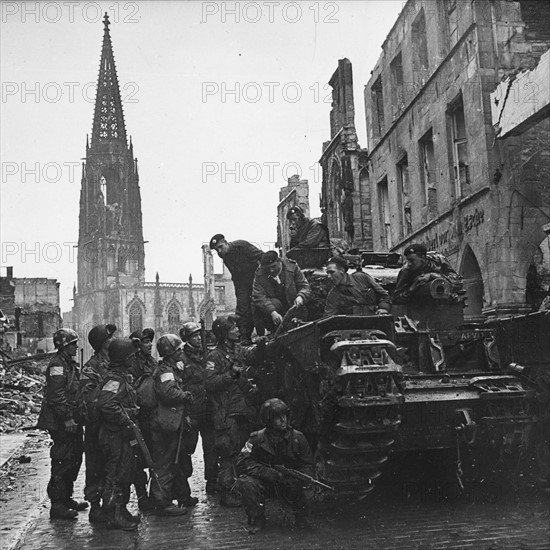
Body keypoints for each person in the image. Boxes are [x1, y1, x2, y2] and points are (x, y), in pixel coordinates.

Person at [205, 316, 263, 507]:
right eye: (233, 328)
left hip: (243, 409)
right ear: (224, 333)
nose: (238, 330)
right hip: (227, 411)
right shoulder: (214, 357)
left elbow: (252, 355)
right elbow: (210, 383)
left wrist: (262, 347)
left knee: (244, 451)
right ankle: (228, 493)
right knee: (228, 453)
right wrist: (230, 375)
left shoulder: (238, 350)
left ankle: (243, 489)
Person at [236, 398, 314, 534]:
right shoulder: (256, 439)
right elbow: (243, 462)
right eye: (278, 417)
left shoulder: (298, 438)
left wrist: (298, 478)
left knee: (307, 484)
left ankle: (302, 519)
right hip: (267, 483)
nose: (283, 420)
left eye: (284, 415)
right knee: (246, 482)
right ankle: (257, 519)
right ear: (268, 420)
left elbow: (307, 464)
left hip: (290, 484)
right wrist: (268, 473)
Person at [37, 328, 87, 520]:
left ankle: (66, 498)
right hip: (60, 422)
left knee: (74, 457)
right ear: (64, 346)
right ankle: (57, 504)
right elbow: (56, 396)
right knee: (63, 459)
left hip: (71, 420)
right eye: (73, 343)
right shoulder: (57, 366)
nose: (76, 346)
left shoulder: (68, 364)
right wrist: (67, 418)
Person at [97, 338, 142, 530]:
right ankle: (113, 515)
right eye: (131, 356)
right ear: (123, 358)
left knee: (125, 472)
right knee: (115, 475)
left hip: (123, 435)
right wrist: (127, 418)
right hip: (115, 435)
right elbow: (106, 405)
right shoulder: (114, 379)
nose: (134, 359)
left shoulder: (122, 377)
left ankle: (121, 510)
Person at [149, 334, 193, 515]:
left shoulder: (170, 368)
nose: (181, 352)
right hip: (165, 424)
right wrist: (185, 396)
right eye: (178, 350)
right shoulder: (166, 371)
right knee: (164, 463)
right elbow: (168, 393)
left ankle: (177, 496)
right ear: (171, 353)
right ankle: (161, 502)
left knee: (174, 461)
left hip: (172, 422)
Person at [78, 323, 116, 523]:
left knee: (112, 465)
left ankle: (111, 505)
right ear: (102, 343)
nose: (113, 341)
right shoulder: (91, 368)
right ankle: (95, 506)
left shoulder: (114, 363)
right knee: (95, 466)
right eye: (109, 339)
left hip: (112, 426)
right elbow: (89, 400)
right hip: (96, 427)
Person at [179, 322, 219, 495]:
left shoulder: (207, 355)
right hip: (191, 411)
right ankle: (183, 486)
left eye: (198, 335)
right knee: (187, 448)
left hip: (208, 409)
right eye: (194, 336)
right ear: (187, 339)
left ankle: (212, 481)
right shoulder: (181, 359)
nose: (198, 338)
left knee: (211, 448)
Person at [209, 234, 263, 344]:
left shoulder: (241, 246)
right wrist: (240, 292)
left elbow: (262, 257)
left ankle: (263, 334)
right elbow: (237, 276)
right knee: (242, 308)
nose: (219, 251)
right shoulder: (226, 258)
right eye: (216, 250)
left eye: (220, 247)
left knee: (259, 305)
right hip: (242, 285)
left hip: (258, 280)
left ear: (226, 242)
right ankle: (244, 336)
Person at [128, 327, 158, 511]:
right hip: (138, 416)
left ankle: (155, 494)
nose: (149, 345)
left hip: (151, 415)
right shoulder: (132, 364)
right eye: (145, 342)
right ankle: (142, 496)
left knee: (154, 455)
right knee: (138, 458)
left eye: (150, 341)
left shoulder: (152, 361)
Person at [252, 251, 311, 332]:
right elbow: (258, 296)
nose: (271, 270)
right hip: (275, 309)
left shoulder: (292, 267)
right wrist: (272, 312)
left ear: (279, 261)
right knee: (257, 307)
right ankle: (269, 332)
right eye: (268, 268)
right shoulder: (260, 274)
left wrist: (301, 296)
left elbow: (305, 286)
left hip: (294, 307)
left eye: (273, 266)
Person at [393, 243, 461, 304]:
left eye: (412, 260)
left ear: (422, 258)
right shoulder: (405, 271)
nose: (409, 264)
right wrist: (411, 289)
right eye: (408, 260)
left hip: (444, 300)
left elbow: (457, 281)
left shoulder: (438, 260)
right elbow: (397, 299)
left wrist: (432, 276)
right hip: (418, 305)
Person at [323, 256, 391, 317]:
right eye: (327, 273)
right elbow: (328, 318)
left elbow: (384, 295)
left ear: (342, 270)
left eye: (332, 272)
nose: (329, 276)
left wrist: (384, 308)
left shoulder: (361, 278)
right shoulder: (333, 296)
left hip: (377, 321)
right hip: (354, 327)